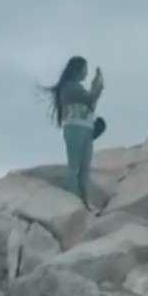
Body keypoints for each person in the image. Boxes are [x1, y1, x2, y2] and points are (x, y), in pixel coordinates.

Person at [43, 56, 104, 210]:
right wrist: (96, 86)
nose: (86, 72)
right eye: (85, 69)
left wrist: (97, 87)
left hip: (85, 126)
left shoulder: (76, 87)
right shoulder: (69, 87)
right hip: (74, 127)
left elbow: (91, 105)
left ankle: (84, 201)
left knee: (85, 166)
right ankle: (72, 200)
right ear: (77, 69)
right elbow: (89, 99)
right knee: (75, 165)